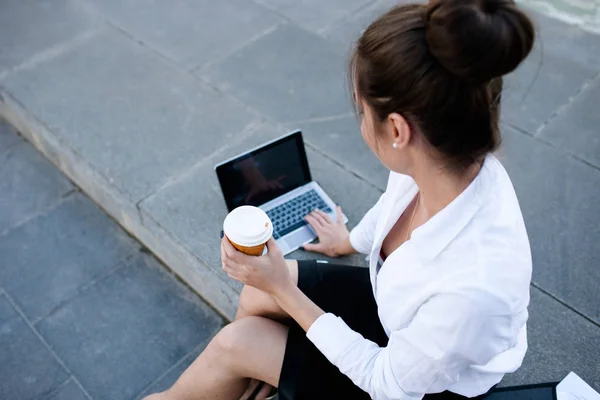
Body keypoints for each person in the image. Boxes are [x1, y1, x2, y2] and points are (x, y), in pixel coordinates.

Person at [144, 0, 535, 399]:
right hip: (394, 307)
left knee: (238, 341)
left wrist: (284, 289)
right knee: (254, 294)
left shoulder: (474, 288)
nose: (362, 124)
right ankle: (252, 382)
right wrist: (345, 242)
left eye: (362, 111)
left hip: (417, 384)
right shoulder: (437, 160)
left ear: (398, 130)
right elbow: (391, 206)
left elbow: (387, 384)